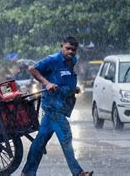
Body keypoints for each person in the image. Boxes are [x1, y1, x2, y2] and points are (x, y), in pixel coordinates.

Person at [21, 36, 93, 176]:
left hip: (60, 107)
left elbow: (66, 78)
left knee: (40, 142)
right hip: (53, 107)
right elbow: (32, 69)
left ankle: (27, 172)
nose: (70, 51)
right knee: (66, 137)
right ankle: (78, 173)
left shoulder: (72, 60)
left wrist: (73, 88)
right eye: (67, 48)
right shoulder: (52, 60)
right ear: (62, 47)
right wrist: (46, 83)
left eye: (73, 49)